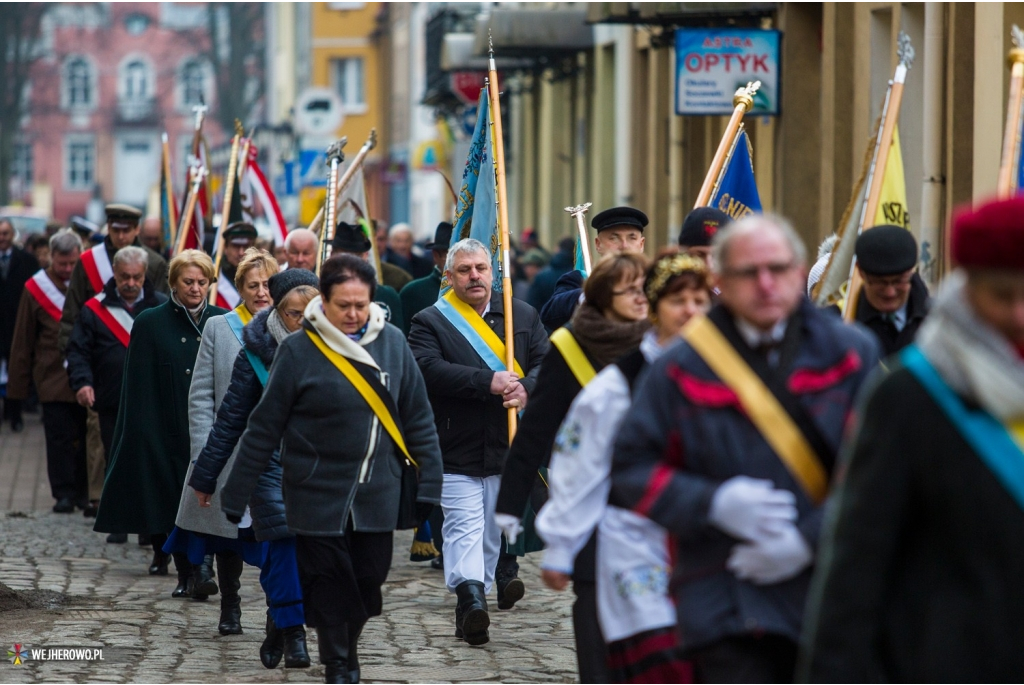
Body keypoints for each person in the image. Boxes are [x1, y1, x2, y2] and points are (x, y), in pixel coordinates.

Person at [609, 214, 880, 683]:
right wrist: (712, 503)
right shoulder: (680, 365)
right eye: (748, 273)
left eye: (778, 269)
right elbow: (632, 468)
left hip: (830, 595)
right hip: (723, 594)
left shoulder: (851, 353)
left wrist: (808, 539)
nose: (766, 284)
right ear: (721, 281)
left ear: (800, 272)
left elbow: (881, 475)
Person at [799, 196, 1024, 682]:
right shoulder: (911, 395)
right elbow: (857, 563)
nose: (1020, 315)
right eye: (1004, 296)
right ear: (969, 292)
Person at [220, 254, 443, 683]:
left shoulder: (393, 343)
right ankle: (339, 663)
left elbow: (417, 417)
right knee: (328, 580)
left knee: (367, 580)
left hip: (378, 490)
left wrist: (430, 483)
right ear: (325, 300)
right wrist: (235, 492)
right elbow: (264, 426)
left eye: (361, 304)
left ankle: (345, 645)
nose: (354, 314)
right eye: (344, 305)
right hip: (314, 491)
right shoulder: (300, 350)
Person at [537, 253, 713, 683]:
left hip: (707, 538)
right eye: (677, 301)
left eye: (699, 299)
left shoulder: (731, 370)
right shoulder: (618, 386)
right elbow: (580, 463)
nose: (690, 311)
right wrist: (562, 544)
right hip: (638, 544)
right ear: (653, 309)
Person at [496, 252, 652, 681]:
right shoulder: (570, 346)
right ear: (603, 297)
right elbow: (536, 430)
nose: (641, 299)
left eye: (644, 289)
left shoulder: (659, 343)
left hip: (649, 502)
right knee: (594, 606)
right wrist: (510, 504)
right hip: (590, 496)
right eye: (629, 291)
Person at [408, 238, 549, 646]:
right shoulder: (430, 321)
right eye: (465, 270)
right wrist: (485, 381)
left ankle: (473, 602)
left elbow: (545, 363)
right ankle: (471, 600)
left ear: (493, 272)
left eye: (481, 268)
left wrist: (525, 388)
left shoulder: (520, 315)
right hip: (455, 447)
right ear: (449, 277)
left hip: (508, 449)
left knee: (489, 536)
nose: (474, 276)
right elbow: (426, 368)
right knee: (463, 529)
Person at [190, 269, 320, 670]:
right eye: (295, 313)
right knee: (281, 546)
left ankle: (279, 622)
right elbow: (230, 418)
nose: (304, 320)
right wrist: (206, 475)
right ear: (278, 312)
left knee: (311, 555)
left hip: (321, 469)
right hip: (269, 466)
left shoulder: (339, 346)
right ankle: (295, 633)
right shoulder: (255, 354)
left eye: (312, 311)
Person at [93, 250, 227, 579]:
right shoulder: (150, 322)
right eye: (188, 282)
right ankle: (176, 563)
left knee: (206, 501)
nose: (196, 289)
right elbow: (138, 385)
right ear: (173, 284)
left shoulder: (224, 321)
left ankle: (202, 568)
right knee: (165, 497)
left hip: (210, 425)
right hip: (164, 425)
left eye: (202, 282)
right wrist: (142, 431)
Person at [165, 248, 278, 632]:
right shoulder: (220, 326)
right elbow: (201, 396)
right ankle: (230, 605)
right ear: (240, 288)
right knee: (228, 536)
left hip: (275, 454)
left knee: (272, 539)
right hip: (228, 451)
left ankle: (277, 611)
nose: (261, 292)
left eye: (267, 284)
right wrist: (202, 454)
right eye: (252, 285)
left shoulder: (294, 328)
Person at [8, 230, 86, 512]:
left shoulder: (89, 284)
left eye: (72, 263)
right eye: (61, 263)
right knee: (58, 438)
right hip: (52, 376)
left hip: (87, 377)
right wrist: (17, 391)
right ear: (51, 257)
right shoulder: (36, 288)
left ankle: (83, 491)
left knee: (86, 438)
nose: (67, 269)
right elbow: (23, 339)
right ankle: (63, 493)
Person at [59, 204, 168, 354]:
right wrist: (72, 356)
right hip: (95, 352)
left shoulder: (155, 263)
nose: (121, 236)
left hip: (143, 351)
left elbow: (162, 313)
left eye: (126, 230)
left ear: (137, 229)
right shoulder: (88, 261)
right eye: (116, 230)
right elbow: (71, 313)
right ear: (108, 228)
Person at [540, 207, 647, 331]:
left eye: (631, 238)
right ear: (598, 244)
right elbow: (550, 314)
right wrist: (591, 293)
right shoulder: (579, 279)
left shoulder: (654, 278)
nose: (624, 245)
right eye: (614, 238)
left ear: (641, 244)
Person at [850, 224, 930, 356]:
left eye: (899, 281)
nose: (890, 292)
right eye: (880, 282)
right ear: (861, 272)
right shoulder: (843, 318)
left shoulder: (940, 321)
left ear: (911, 271)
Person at [0, 218, 40, 432]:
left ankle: (15, 415)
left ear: (12, 235)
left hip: (17, 325)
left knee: (15, 370)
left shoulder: (26, 261)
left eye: (6, 233)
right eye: (0, 234)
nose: (2, 238)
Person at [330, 222, 405, 332]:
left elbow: (397, 341)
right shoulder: (321, 293)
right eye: (344, 256)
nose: (349, 263)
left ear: (365, 256)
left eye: (355, 257)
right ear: (332, 255)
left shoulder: (387, 295)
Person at [399, 222, 452, 335]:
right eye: (451, 254)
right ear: (436, 255)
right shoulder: (412, 292)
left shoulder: (477, 292)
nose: (460, 261)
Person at [213, 222, 259, 310]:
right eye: (236, 246)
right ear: (225, 248)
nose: (241, 252)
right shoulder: (214, 280)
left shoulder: (263, 278)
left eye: (246, 247)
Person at [527, 237, 575, 316]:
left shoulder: (542, 276)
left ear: (558, 250)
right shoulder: (579, 276)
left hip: (544, 324)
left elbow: (532, 305)